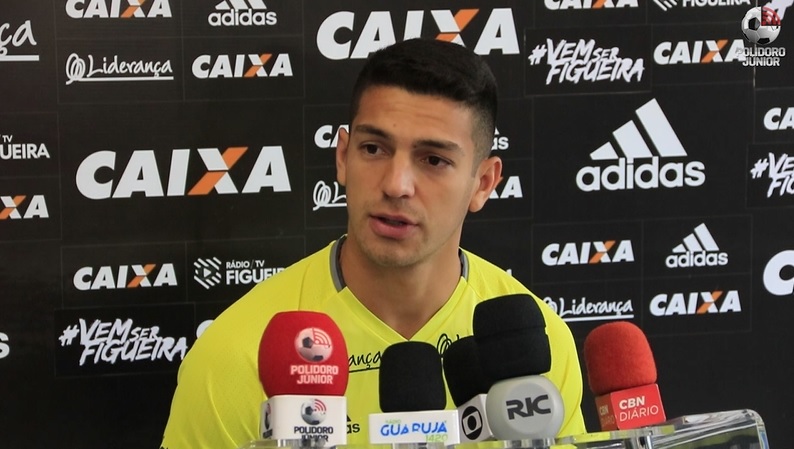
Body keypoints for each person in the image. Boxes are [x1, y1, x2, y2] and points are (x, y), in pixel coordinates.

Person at [160, 38, 586, 449]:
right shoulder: (238, 353)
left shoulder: (539, 350)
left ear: (484, 183)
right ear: (342, 157)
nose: (396, 185)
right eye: (374, 149)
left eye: (433, 160)